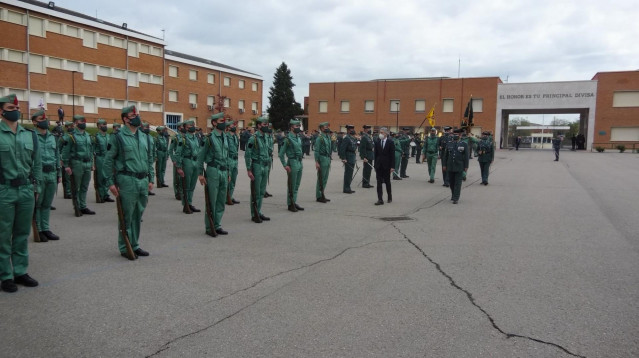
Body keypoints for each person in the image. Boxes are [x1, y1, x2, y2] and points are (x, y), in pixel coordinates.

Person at [0, 94, 41, 292]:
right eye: (10, 107)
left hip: (26, 189)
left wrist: (37, 187)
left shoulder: (29, 134)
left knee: (22, 233)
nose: (15, 110)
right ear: (1, 111)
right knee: (3, 234)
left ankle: (20, 271)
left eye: (16, 107)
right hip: (4, 190)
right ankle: (5, 275)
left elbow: (37, 163)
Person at [104, 105, 153, 259]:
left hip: (142, 179)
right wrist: (110, 183)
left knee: (138, 214)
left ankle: (135, 244)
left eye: (138, 114)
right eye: (133, 115)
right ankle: (125, 246)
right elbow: (108, 160)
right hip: (127, 180)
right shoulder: (117, 137)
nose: (137, 117)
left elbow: (149, 159)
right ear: (125, 119)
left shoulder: (144, 136)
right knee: (127, 215)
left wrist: (151, 178)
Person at [197, 113, 230, 236]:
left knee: (221, 200)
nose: (224, 122)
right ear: (214, 123)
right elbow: (200, 157)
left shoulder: (225, 137)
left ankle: (217, 225)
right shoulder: (209, 138)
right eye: (221, 120)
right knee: (212, 200)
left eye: (225, 120)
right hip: (213, 171)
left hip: (223, 171)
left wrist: (228, 172)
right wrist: (200, 174)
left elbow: (226, 157)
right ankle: (209, 226)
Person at [30, 110, 60, 242]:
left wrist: (58, 173)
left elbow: (57, 155)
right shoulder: (31, 136)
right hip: (39, 173)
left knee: (47, 204)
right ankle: (39, 230)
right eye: (41, 119)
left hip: (52, 173)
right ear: (35, 122)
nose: (45, 120)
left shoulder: (52, 137)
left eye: (46, 118)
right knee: (38, 204)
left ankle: (46, 229)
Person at [61, 115, 95, 215]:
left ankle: (83, 206)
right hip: (77, 163)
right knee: (76, 187)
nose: (84, 123)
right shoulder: (71, 136)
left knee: (85, 186)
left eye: (84, 121)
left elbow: (91, 150)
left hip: (87, 163)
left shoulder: (88, 135)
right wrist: (66, 165)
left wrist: (92, 163)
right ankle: (77, 207)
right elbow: (66, 151)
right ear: (75, 123)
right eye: (81, 121)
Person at [245, 117, 271, 223]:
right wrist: (248, 169)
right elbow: (248, 154)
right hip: (257, 166)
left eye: (267, 124)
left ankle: (259, 211)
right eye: (264, 124)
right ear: (259, 125)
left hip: (265, 166)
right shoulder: (253, 138)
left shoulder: (265, 137)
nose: (266, 126)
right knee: (255, 192)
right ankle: (254, 213)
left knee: (261, 191)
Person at [175, 119, 201, 213]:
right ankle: (185, 204)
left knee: (192, 185)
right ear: (186, 128)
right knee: (186, 185)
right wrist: (178, 167)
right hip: (187, 162)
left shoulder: (196, 137)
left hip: (195, 161)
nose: (193, 127)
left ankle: (189, 203)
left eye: (193, 125)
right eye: (190, 126)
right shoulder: (183, 139)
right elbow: (178, 153)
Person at [279, 119, 304, 212]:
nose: (298, 128)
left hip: (299, 162)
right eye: (296, 126)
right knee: (291, 185)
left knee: (297, 185)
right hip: (292, 162)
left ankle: (294, 201)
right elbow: (281, 154)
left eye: (299, 126)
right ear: (291, 127)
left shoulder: (298, 137)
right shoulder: (287, 139)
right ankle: (290, 203)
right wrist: (285, 165)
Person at [442, 129, 469, 204]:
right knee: (451, 182)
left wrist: (466, 166)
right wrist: (444, 165)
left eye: (457, 134)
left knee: (458, 183)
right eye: (454, 134)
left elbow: (466, 156)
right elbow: (445, 156)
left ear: (460, 135)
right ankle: (453, 194)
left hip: (459, 166)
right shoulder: (449, 144)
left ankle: (456, 198)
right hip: (450, 166)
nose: (455, 136)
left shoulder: (464, 144)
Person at [93, 119, 114, 202]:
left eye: (105, 124)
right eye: (103, 125)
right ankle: (100, 195)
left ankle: (106, 194)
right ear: (98, 126)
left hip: (107, 158)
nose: (105, 126)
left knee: (107, 177)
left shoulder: (108, 136)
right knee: (101, 177)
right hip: (100, 158)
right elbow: (93, 149)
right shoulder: (96, 137)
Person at [373, 127, 395, 205]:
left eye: (382, 133)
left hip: (387, 165)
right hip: (379, 165)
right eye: (380, 132)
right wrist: (375, 165)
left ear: (386, 134)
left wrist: (392, 167)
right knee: (379, 182)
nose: (380, 134)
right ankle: (380, 199)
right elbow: (375, 154)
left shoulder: (390, 142)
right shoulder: (377, 142)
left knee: (387, 182)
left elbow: (392, 155)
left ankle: (389, 196)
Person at [314, 122, 332, 203]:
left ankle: (322, 194)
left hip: (327, 159)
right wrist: (317, 162)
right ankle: (319, 196)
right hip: (322, 158)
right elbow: (316, 151)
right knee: (321, 178)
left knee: (325, 178)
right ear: (321, 128)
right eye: (325, 127)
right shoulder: (319, 138)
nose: (327, 128)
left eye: (327, 127)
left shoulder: (328, 137)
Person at [338, 125, 357, 193]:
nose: (352, 130)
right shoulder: (346, 138)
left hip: (352, 157)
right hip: (348, 157)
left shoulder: (353, 138)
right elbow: (342, 149)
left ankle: (348, 187)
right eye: (350, 129)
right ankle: (346, 188)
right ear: (348, 130)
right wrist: (343, 158)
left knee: (350, 174)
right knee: (348, 174)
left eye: (352, 129)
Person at [225, 120, 240, 205]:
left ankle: (230, 196)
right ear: (228, 128)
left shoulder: (235, 136)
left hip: (235, 160)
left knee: (233, 180)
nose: (234, 126)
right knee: (228, 180)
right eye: (232, 125)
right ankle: (226, 197)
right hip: (229, 159)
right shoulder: (226, 137)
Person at [169, 122, 184, 200]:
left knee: (183, 177)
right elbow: (170, 150)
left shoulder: (185, 136)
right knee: (176, 178)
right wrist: (173, 159)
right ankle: (177, 193)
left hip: (184, 159)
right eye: (182, 126)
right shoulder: (175, 137)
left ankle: (182, 192)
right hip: (177, 159)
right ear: (179, 128)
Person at [141, 122, 156, 196]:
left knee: (150, 172)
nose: (147, 129)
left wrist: (154, 156)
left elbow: (153, 148)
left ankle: (149, 188)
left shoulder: (150, 137)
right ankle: (144, 189)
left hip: (150, 157)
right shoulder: (140, 137)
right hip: (143, 157)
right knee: (144, 173)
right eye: (145, 128)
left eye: (148, 128)